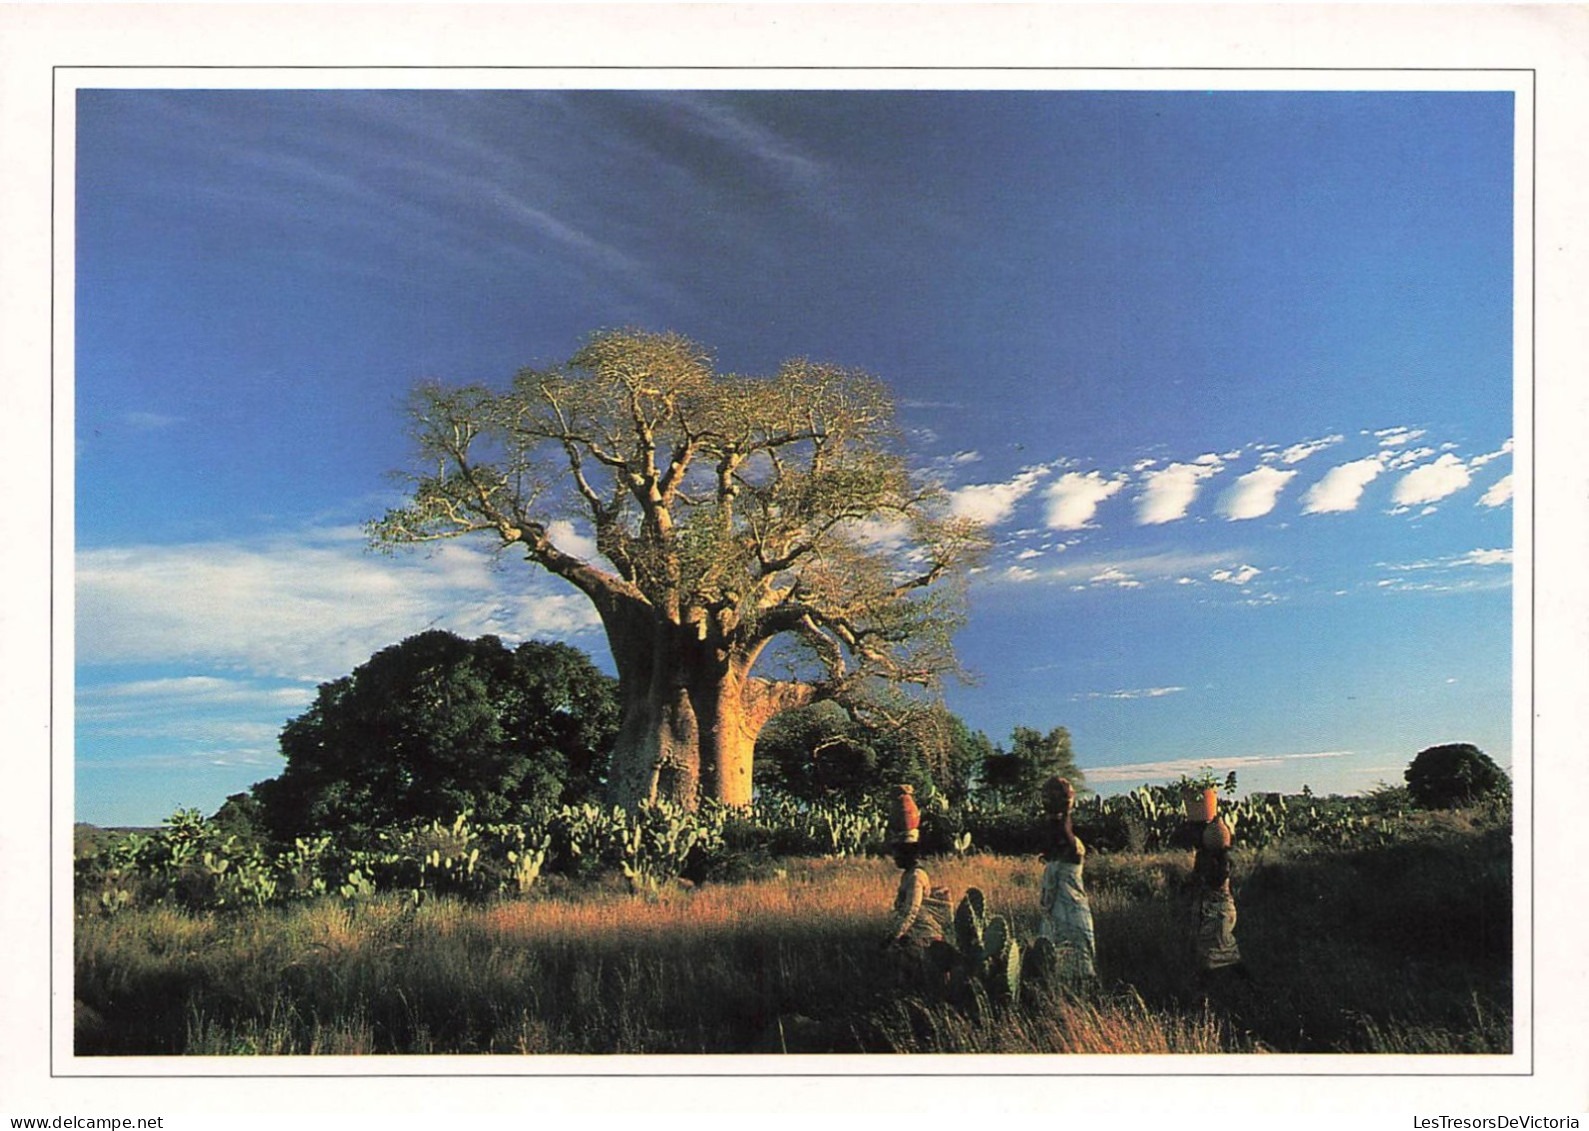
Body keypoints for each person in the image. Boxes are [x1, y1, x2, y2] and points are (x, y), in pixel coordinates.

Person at [1174, 786, 1247, 982]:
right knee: (1226, 953)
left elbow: (1209, 880)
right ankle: (1248, 988)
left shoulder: (1214, 861)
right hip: (1224, 912)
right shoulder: (1222, 857)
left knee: (1211, 958)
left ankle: (1204, 998)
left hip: (1217, 913)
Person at [1034, 775, 1097, 979]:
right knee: (1068, 959)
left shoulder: (1071, 850)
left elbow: (1062, 830)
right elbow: (1058, 830)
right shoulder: (1063, 853)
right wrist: (1064, 809)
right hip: (1070, 911)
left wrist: (1065, 811)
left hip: (1068, 910)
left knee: (1071, 959)